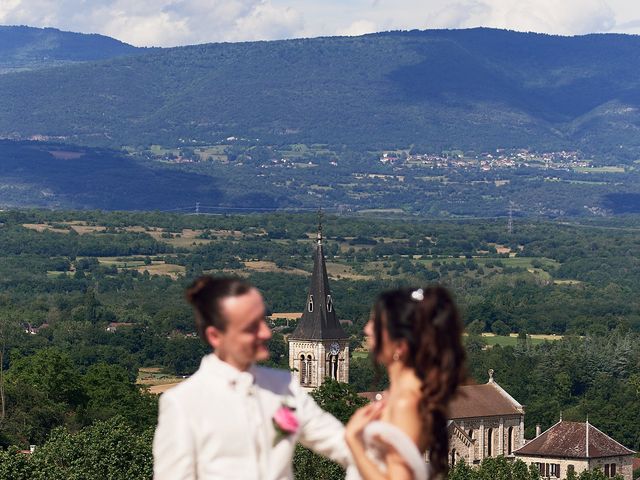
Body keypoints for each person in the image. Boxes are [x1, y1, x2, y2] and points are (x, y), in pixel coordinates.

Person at [153, 276, 351, 480]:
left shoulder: (283, 386)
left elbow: (345, 446)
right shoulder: (183, 403)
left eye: (262, 321)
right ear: (215, 336)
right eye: (251, 327)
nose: (266, 333)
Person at [345, 286, 466, 480]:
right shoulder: (398, 393)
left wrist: (353, 442)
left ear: (399, 346)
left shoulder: (406, 402)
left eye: (376, 324)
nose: (366, 329)